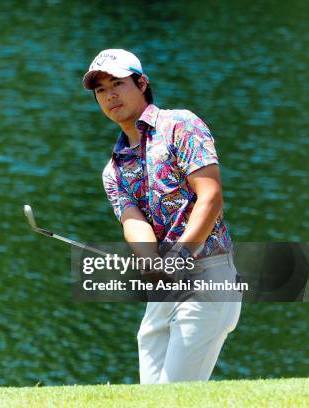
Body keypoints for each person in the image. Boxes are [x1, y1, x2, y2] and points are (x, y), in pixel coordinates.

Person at [82, 49, 242, 384]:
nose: (109, 95)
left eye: (118, 84)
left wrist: (181, 256)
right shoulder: (114, 170)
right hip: (165, 287)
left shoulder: (179, 125)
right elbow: (133, 221)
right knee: (150, 396)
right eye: (100, 90)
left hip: (207, 275)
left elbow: (210, 197)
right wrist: (151, 262)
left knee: (172, 396)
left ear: (142, 84)